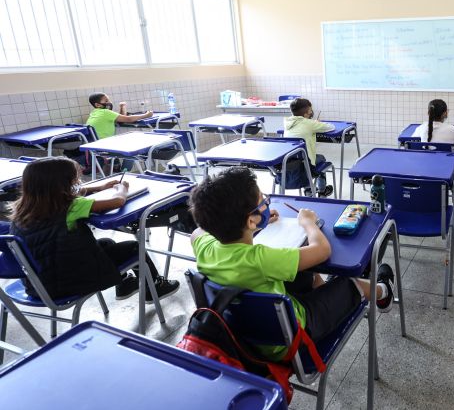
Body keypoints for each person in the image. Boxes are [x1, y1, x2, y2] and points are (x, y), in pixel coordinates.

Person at [188, 167, 395, 359]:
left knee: (307, 273)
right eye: (263, 202)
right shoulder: (260, 259)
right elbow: (322, 251)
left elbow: (197, 232)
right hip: (291, 339)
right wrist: (308, 223)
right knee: (349, 282)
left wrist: (253, 225)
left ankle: (328, 294)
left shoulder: (205, 248)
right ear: (251, 219)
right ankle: (384, 290)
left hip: (245, 333)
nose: (267, 204)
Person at [9, 156, 179, 301]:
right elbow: (118, 201)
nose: (77, 183)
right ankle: (155, 287)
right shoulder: (72, 205)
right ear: (63, 185)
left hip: (40, 283)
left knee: (105, 242)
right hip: (71, 281)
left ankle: (124, 285)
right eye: (73, 180)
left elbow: (74, 193)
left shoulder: (22, 209)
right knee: (134, 247)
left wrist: (98, 188)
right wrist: (122, 188)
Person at [283, 98, 335, 197]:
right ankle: (322, 190)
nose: (312, 112)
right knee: (321, 158)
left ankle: (308, 189)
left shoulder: (287, 123)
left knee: (303, 160)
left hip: (289, 162)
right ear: (306, 113)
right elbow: (331, 127)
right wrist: (317, 123)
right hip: (306, 164)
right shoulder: (310, 123)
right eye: (310, 110)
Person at [87, 92, 153, 140]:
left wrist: (122, 107)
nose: (109, 102)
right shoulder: (105, 112)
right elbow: (128, 119)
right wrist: (146, 115)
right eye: (106, 101)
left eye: (109, 100)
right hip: (104, 142)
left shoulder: (94, 113)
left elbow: (121, 119)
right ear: (98, 105)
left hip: (95, 142)